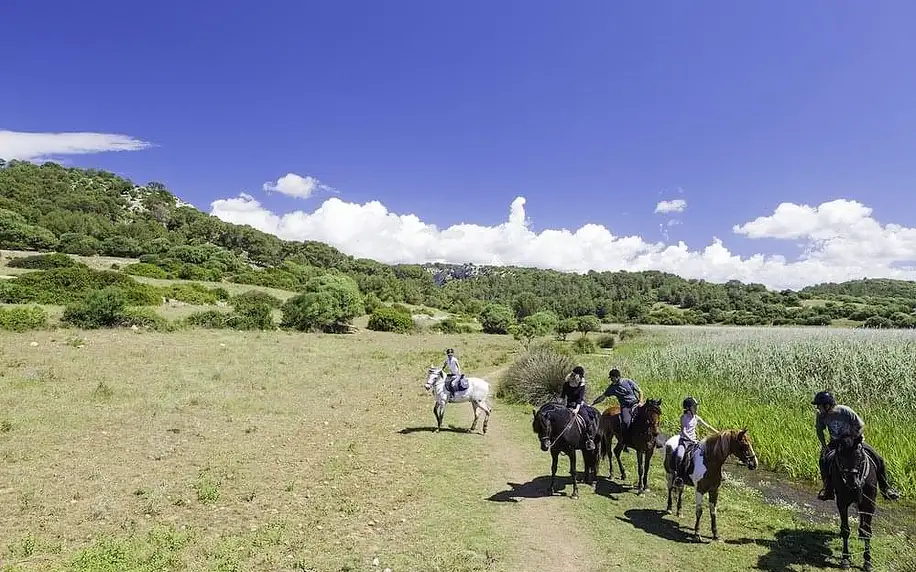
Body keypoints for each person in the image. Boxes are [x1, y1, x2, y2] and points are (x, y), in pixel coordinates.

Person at [812, 391, 900, 501]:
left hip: (854, 441)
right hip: (836, 442)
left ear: (827, 405)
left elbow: (862, 425)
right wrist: (824, 445)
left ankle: (886, 488)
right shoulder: (821, 415)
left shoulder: (845, 411)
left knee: (878, 459)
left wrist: (854, 437)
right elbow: (819, 430)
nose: (818, 408)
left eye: (819, 406)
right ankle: (828, 488)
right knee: (824, 459)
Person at [592, 369, 642, 451]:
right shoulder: (612, 388)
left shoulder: (628, 381)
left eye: (612, 378)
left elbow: (640, 391)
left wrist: (640, 401)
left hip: (635, 403)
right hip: (625, 407)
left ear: (617, 377)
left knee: (647, 416)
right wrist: (594, 403)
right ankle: (626, 442)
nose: (611, 380)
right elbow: (603, 397)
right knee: (626, 421)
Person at [674, 396, 716, 486]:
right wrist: (691, 439)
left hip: (694, 441)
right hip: (684, 441)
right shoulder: (683, 417)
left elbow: (707, 426)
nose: (696, 408)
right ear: (688, 408)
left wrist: (718, 433)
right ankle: (678, 477)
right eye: (694, 407)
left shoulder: (696, 417)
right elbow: (683, 431)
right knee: (679, 456)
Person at [560, 366, 598, 451]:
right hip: (568, 405)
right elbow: (562, 397)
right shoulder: (566, 384)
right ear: (577, 375)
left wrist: (576, 409)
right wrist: (561, 406)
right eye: (580, 376)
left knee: (587, 420)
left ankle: (590, 439)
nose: (582, 377)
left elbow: (579, 399)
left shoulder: (581, 385)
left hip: (579, 405)